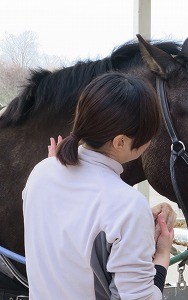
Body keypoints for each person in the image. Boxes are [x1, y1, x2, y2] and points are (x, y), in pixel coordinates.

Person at [23, 72, 175, 299]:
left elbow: (72, 235)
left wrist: (139, 227)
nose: (151, 140)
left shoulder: (40, 173)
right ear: (120, 142)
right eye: (149, 133)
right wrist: (161, 256)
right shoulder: (127, 206)